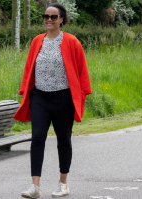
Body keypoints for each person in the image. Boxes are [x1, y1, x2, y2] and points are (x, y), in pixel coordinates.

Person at [14, 3, 92, 198]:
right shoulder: (36, 41)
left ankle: (63, 183)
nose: (49, 20)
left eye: (53, 17)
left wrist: (83, 94)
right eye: (46, 16)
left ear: (62, 20)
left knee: (63, 140)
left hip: (63, 98)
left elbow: (82, 70)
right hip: (39, 96)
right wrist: (25, 89)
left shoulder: (72, 41)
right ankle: (35, 186)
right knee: (37, 138)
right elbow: (29, 67)